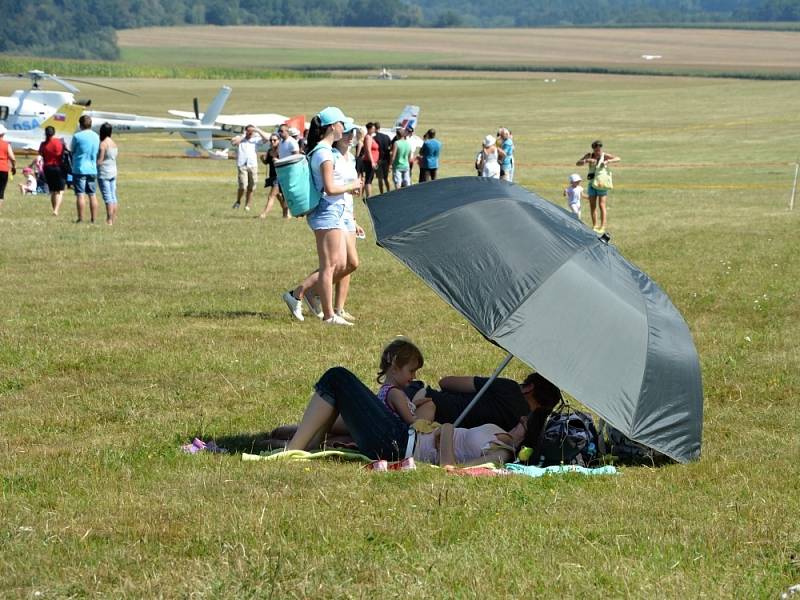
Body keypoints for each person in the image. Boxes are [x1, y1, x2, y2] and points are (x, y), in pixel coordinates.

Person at [283, 364, 557, 466]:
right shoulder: (499, 429)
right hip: (407, 432)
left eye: (527, 419)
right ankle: (300, 443)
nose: (523, 417)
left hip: (399, 443)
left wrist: (447, 430)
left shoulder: (502, 455)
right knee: (341, 388)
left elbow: (451, 469)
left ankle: (293, 450)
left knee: (338, 378)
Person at [281, 106, 361, 326]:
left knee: (342, 263)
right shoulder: (324, 153)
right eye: (342, 124)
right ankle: (328, 315)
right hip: (327, 211)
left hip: (335, 211)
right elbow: (329, 188)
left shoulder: (325, 151)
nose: (344, 129)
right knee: (329, 266)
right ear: (333, 127)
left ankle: (302, 294)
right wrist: (351, 185)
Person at [576, 140, 620, 234]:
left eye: (599, 150)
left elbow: (618, 158)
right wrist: (586, 160)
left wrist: (608, 161)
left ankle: (603, 226)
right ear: (593, 149)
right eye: (596, 150)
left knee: (601, 205)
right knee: (592, 206)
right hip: (591, 184)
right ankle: (595, 225)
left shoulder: (604, 155)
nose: (598, 152)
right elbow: (578, 163)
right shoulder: (589, 155)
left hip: (601, 184)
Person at [70, 114, 101, 223]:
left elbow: (72, 150)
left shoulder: (77, 136)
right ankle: (93, 218)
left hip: (79, 168)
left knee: (80, 194)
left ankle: (81, 218)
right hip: (92, 169)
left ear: (80, 124)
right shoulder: (96, 136)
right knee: (92, 194)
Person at [231, 125, 267, 211]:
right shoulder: (240, 138)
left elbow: (266, 139)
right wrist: (244, 135)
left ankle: (247, 205)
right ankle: (238, 201)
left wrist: (257, 130)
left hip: (253, 165)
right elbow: (233, 143)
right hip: (242, 165)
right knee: (243, 186)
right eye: (249, 131)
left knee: (252, 186)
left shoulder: (255, 140)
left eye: (251, 131)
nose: (250, 133)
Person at [258, 134, 288, 219]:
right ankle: (286, 214)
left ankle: (264, 214)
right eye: (271, 140)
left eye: (274, 140)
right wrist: (262, 159)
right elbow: (267, 162)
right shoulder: (269, 151)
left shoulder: (282, 151)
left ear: (279, 141)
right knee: (279, 196)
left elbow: (286, 162)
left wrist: (278, 160)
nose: (272, 142)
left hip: (280, 176)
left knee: (271, 196)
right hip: (272, 176)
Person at [39, 125, 65, 215]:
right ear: (54, 133)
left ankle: (54, 208)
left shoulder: (43, 144)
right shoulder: (59, 142)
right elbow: (62, 154)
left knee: (53, 190)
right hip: (57, 167)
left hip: (47, 168)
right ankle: (56, 210)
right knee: (60, 190)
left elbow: (41, 154)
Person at [97, 123, 119, 225]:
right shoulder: (114, 143)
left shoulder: (103, 144)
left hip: (104, 172)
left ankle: (109, 220)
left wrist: (94, 165)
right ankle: (113, 218)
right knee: (113, 196)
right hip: (113, 171)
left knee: (107, 197)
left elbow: (100, 160)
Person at [356, 122, 378, 200]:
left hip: (370, 161)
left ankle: (368, 196)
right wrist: (372, 161)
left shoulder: (370, 137)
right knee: (368, 179)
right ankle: (369, 197)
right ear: (369, 129)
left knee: (369, 179)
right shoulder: (368, 137)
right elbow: (368, 150)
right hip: (369, 161)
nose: (374, 129)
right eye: (373, 128)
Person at [0, 125, 18, 210]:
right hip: (3, 169)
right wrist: (14, 167)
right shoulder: (6, 145)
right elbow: (13, 158)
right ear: (3, 134)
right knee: (1, 191)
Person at [372, 121, 392, 194]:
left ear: (374, 128)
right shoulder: (386, 136)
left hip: (379, 160)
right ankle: (389, 191)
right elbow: (390, 147)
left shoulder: (374, 138)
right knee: (387, 178)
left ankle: (382, 193)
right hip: (386, 160)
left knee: (380, 178)